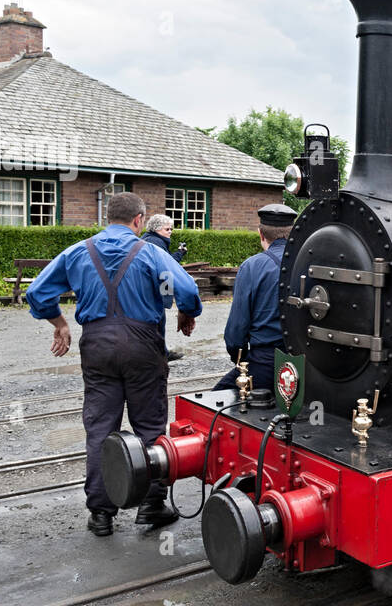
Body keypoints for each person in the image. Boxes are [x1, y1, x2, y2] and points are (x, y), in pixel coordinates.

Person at [27, 192, 202, 537]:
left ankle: (101, 514)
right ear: (139, 220)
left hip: (97, 347)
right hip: (143, 347)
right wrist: (185, 313)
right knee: (150, 426)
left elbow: (37, 292)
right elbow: (187, 289)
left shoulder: (79, 252)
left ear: (108, 217)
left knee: (101, 429)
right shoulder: (151, 252)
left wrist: (60, 324)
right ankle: (151, 504)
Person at [214, 203, 297, 395]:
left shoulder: (251, 267)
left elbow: (236, 330)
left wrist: (240, 359)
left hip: (265, 361)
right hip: (306, 362)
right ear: (292, 233)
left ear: (261, 234)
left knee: (215, 401)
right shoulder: (310, 263)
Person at [141, 213, 188, 362]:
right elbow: (167, 268)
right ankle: (160, 355)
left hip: (150, 290)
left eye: (171, 229)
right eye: (167, 229)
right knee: (157, 322)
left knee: (157, 323)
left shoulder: (151, 240)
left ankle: (161, 352)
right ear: (156, 229)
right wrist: (166, 295)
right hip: (154, 291)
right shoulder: (155, 242)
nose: (170, 232)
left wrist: (179, 253)